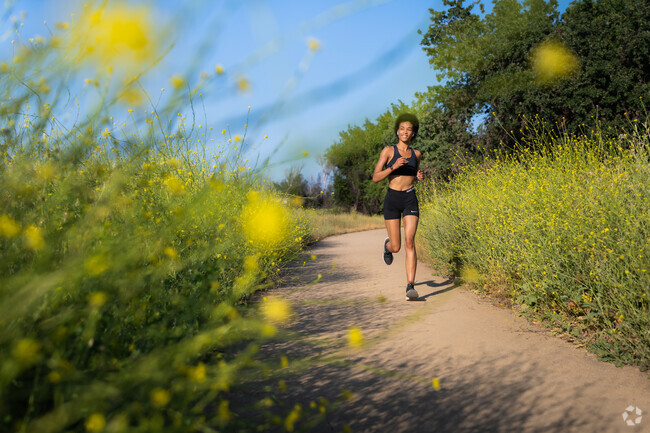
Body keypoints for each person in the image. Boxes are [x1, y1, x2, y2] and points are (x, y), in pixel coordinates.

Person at [372, 113, 425, 301]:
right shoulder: (388, 151)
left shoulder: (416, 154)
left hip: (410, 198)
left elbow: (412, 177)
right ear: (397, 131)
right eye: (402, 128)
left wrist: (418, 178)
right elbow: (376, 177)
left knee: (410, 241)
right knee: (397, 247)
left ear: (413, 133)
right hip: (392, 200)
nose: (405, 132)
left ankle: (411, 286)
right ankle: (387, 246)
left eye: (409, 129)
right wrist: (392, 167)